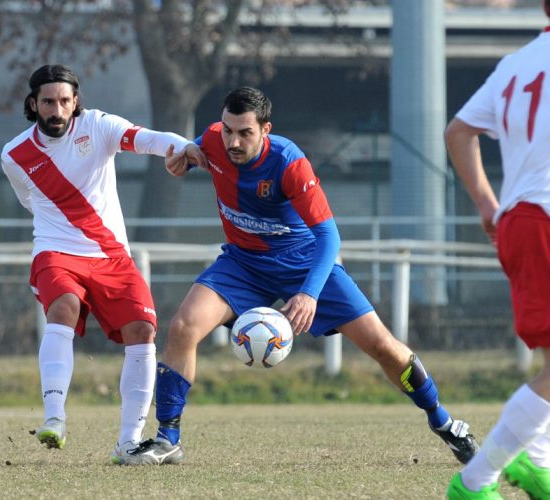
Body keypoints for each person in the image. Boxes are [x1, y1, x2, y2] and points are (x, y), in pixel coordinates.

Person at [116, 86, 479, 466]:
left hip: (303, 262)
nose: (233, 141)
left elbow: (329, 236)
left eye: (245, 133)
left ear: (266, 130)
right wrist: (185, 158)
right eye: (227, 131)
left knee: (384, 347)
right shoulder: (214, 139)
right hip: (244, 263)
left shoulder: (289, 162)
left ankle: (445, 423)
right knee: (183, 327)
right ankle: (168, 439)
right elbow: (197, 146)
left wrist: (309, 293)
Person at [0, 64, 205, 462]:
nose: (56, 110)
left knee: (143, 329)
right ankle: (54, 418)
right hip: (56, 250)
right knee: (63, 307)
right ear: (33, 104)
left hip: (112, 255)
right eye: (48, 102)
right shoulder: (14, 155)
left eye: (64, 101)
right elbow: (30, 199)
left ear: (76, 102)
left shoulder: (98, 126)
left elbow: (145, 139)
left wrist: (183, 146)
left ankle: (128, 443)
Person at [443, 3, 550, 498]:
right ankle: (475, 480)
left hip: (521, 219)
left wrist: (488, 204)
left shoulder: (516, 63)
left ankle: (535, 462)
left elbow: (458, 131)